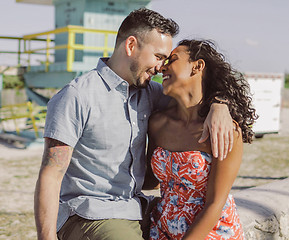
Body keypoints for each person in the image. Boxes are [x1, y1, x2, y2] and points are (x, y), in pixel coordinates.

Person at [34, 8, 234, 240]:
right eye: (158, 57)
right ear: (131, 46)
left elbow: (195, 96)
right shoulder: (77, 96)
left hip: (137, 208)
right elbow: (51, 174)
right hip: (89, 213)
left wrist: (221, 104)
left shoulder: (151, 92)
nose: (161, 67)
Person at [146, 39, 257, 240]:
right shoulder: (157, 123)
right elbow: (149, 180)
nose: (163, 66)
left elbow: (215, 202)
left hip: (212, 233)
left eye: (172, 59)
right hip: (161, 232)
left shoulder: (225, 130)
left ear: (197, 66)